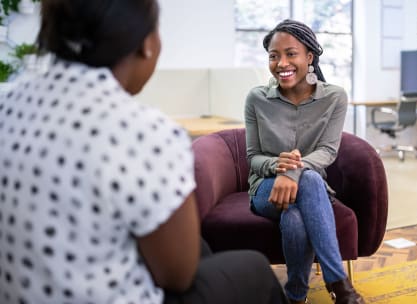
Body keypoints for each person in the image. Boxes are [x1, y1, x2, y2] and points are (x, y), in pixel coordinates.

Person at [0, 1, 289, 303]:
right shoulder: (144, 132)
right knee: (254, 269)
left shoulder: (8, 106)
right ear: (147, 45)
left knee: (200, 247)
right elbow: (177, 275)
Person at [245, 19, 365, 304]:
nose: (281, 62)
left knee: (296, 216)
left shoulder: (334, 97)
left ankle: (296, 295)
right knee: (309, 179)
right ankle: (340, 286)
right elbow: (253, 158)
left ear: (309, 57)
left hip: (310, 186)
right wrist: (279, 168)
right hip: (265, 188)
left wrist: (295, 171)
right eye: (274, 56)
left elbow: (327, 150)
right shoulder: (257, 98)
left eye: (290, 53)